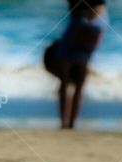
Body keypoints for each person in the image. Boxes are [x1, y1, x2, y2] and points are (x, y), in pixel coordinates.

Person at [44, 0, 108, 129]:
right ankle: (70, 124)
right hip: (93, 30)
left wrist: (83, 13)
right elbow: (99, 10)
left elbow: (93, 11)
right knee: (77, 82)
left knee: (66, 80)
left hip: (80, 29)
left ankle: (65, 123)